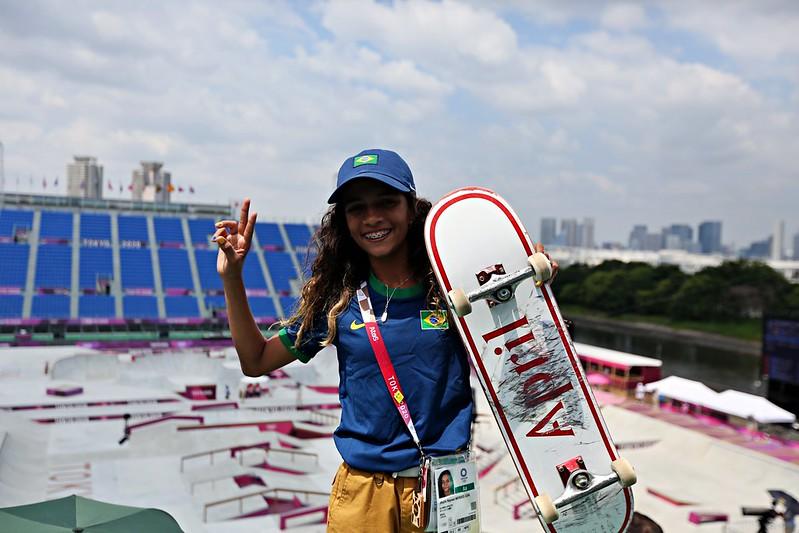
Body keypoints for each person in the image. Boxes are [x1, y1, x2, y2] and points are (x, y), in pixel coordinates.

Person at [214, 148, 557, 532]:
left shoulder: (453, 288)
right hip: (363, 492)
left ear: (411, 209)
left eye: (387, 203)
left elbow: (526, 355)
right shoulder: (338, 299)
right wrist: (232, 279)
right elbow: (256, 360)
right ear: (344, 221)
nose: (372, 218)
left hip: (444, 489)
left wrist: (530, 291)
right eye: (356, 208)